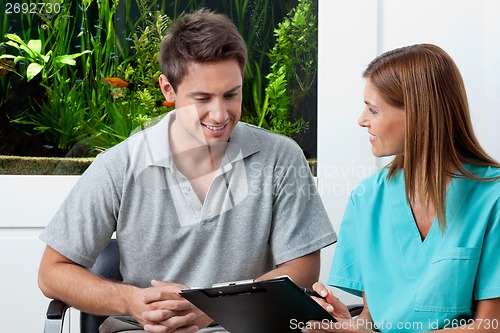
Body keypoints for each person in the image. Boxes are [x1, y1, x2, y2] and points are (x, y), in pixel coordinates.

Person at [38, 9, 337, 333]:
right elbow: (52, 273)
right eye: (202, 98)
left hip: (244, 327)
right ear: (168, 89)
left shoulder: (281, 157)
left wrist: (212, 309)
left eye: (231, 95)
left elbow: (304, 267)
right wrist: (132, 302)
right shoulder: (119, 165)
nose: (220, 114)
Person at [304, 44, 500, 333]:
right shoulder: (367, 198)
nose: (362, 120)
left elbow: (489, 326)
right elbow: (373, 320)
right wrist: (347, 326)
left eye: (373, 109)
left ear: (420, 114)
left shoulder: (492, 198)